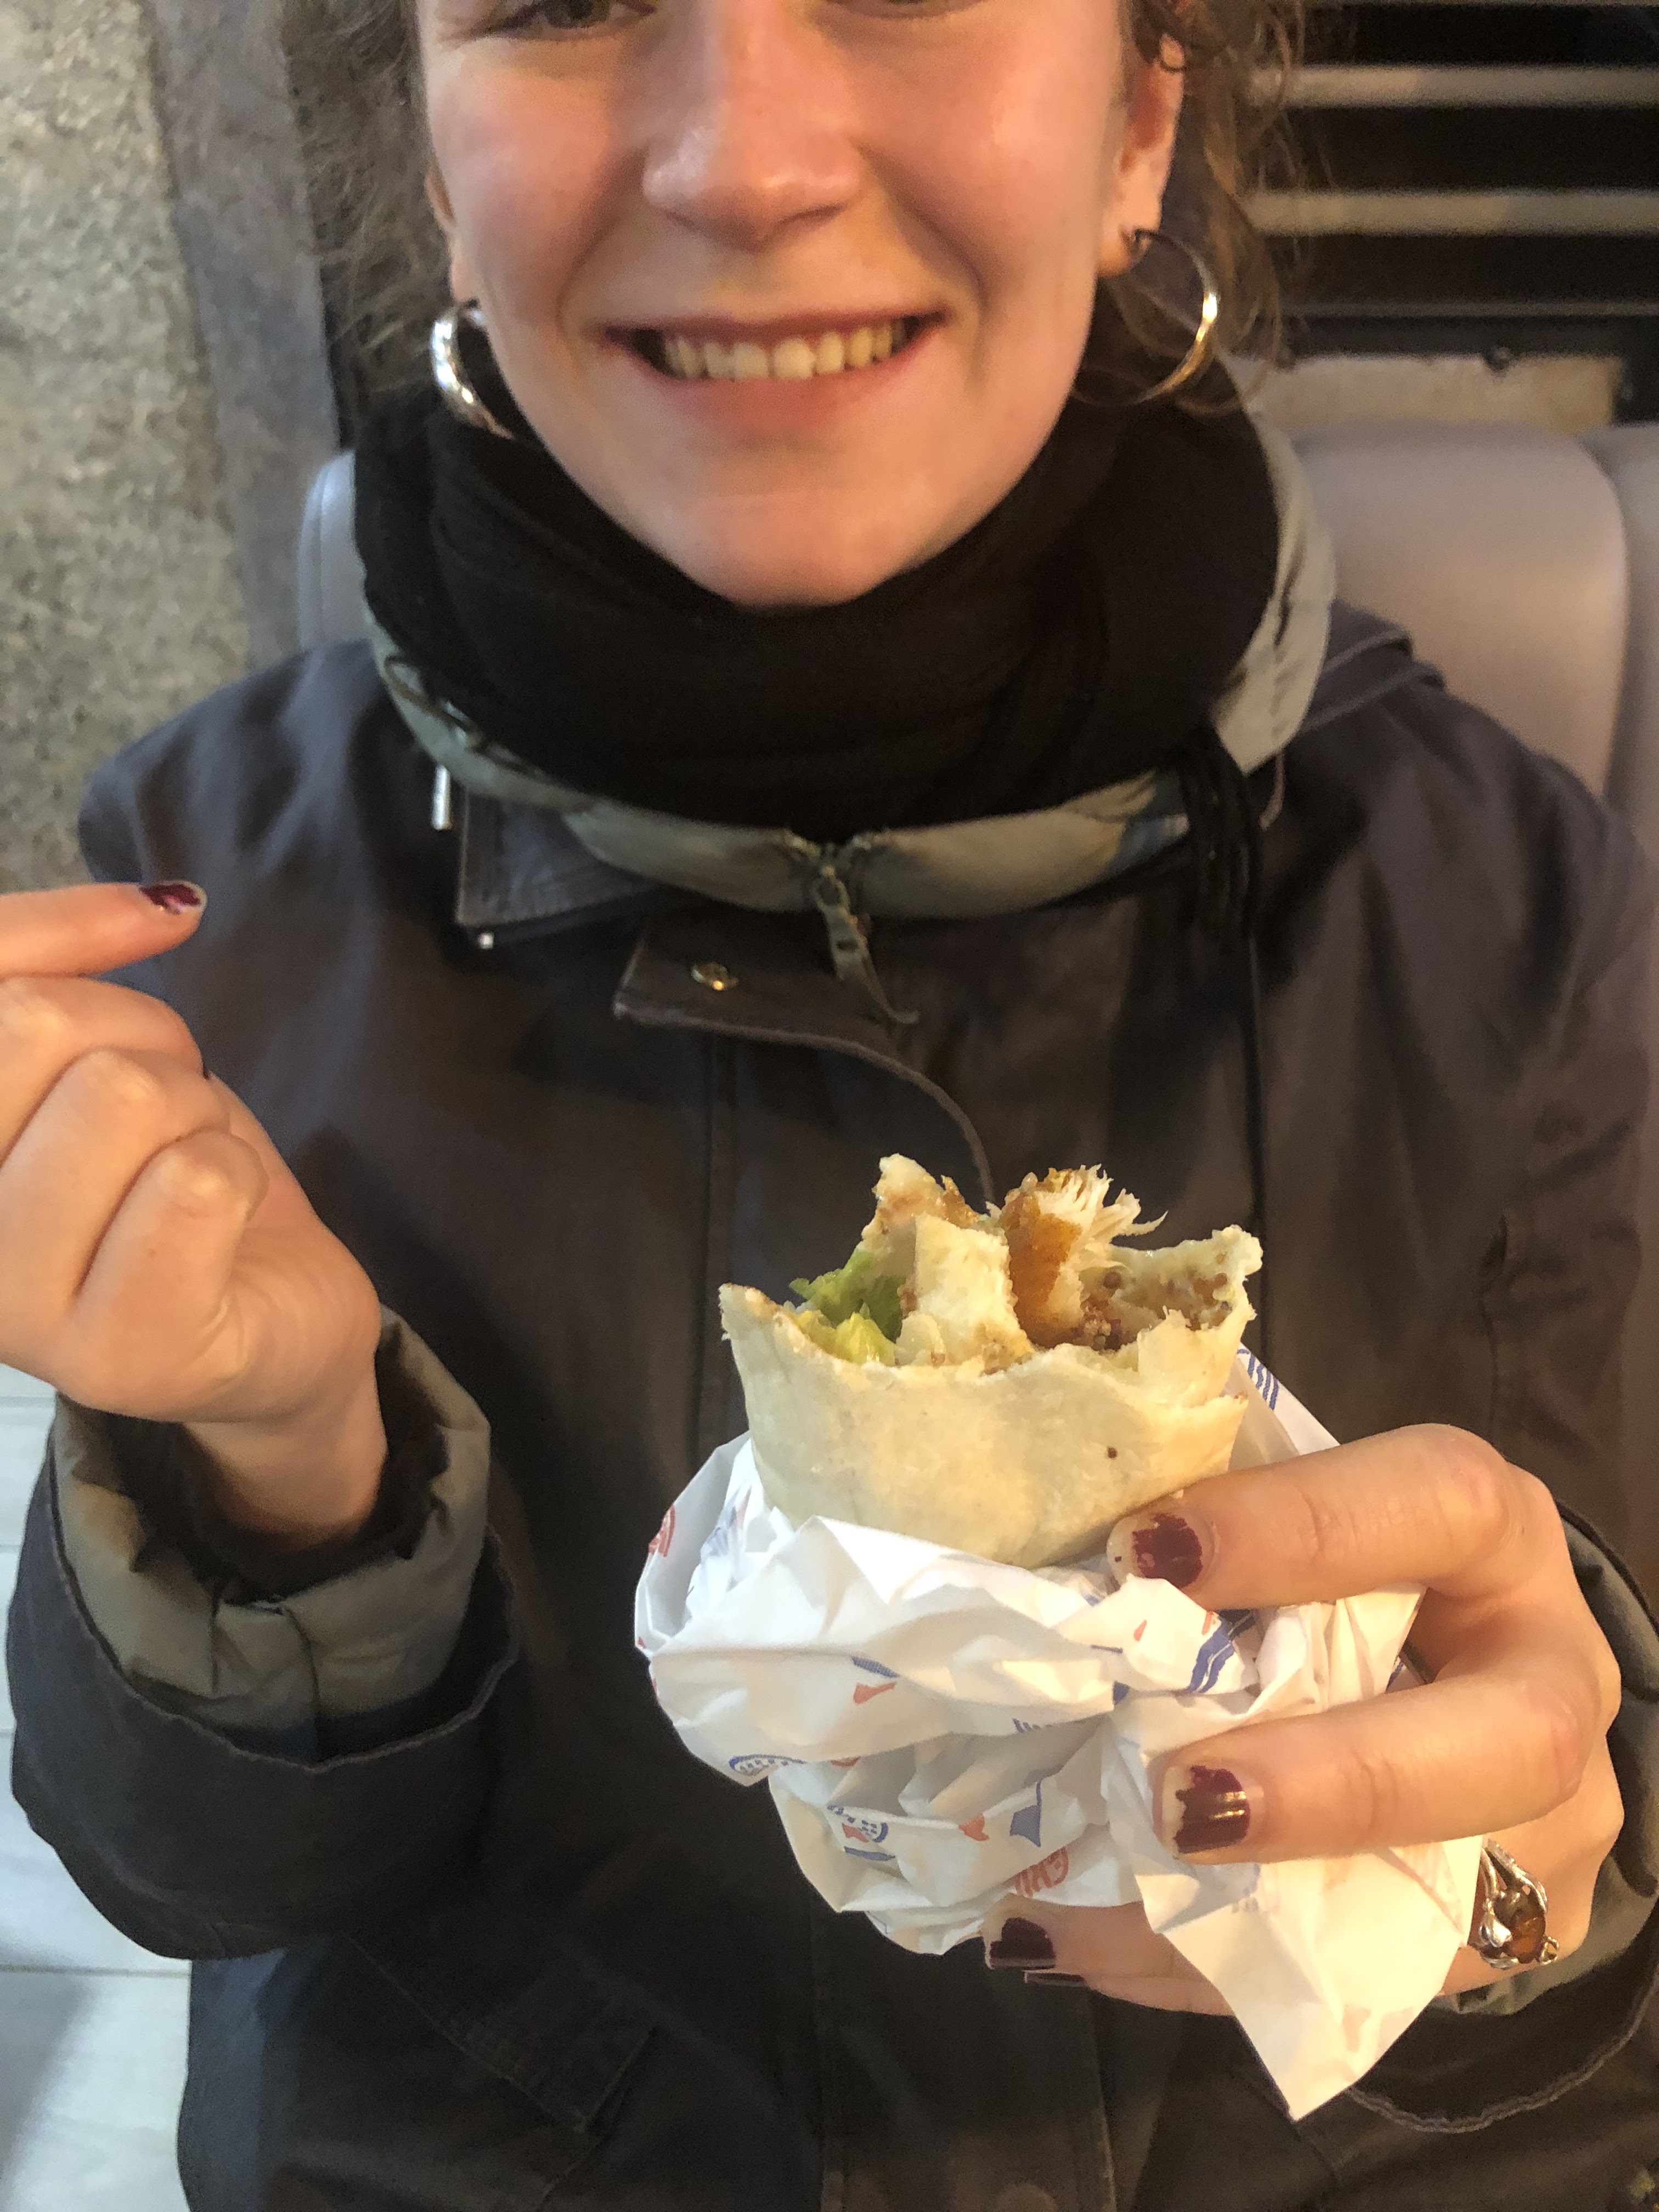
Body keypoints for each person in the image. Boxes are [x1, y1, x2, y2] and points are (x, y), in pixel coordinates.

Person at [2, 0, 1657, 2198]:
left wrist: (1537, 1893)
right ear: (433, 153)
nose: (745, 164)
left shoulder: (1515, 911)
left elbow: (1581, 1939)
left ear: (1140, 122)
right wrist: (284, 1481)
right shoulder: (205, 891)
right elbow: (201, 1884)